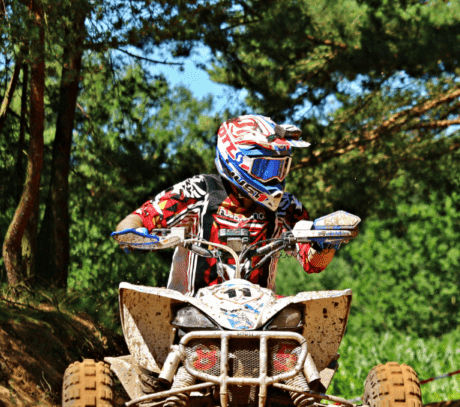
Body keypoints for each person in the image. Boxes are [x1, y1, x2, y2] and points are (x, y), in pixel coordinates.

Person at [113, 114, 347, 293]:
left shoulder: (285, 206)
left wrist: (326, 243)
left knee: (307, 326)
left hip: (259, 318)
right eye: (266, 168)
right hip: (191, 312)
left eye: (280, 167)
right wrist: (132, 233)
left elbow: (312, 263)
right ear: (236, 160)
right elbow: (142, 215)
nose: (276, 178)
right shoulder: (198, 191)